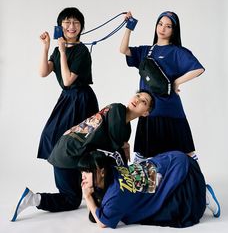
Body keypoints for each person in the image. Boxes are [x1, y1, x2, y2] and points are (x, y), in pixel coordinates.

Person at [120, 11, 220, 218]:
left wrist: (176, 82)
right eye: (160, 24)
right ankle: (137, 199)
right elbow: (123, 49)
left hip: (172, 114)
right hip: (149, 114)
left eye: (168, 25)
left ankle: (203, 192)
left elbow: (198, 68)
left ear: (174, 30)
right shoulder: (147, 51)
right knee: (144, 160)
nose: (163, 28)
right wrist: (129, 26)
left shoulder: (177, 52)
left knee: (185, 157)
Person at [11, 7, 99, 222]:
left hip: (81, 99)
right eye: (67, 22)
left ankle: (90, 190)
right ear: (61, 26)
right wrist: (47, 47)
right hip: (68, 99)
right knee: (53, 138)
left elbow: (68, 79)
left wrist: (61, 51)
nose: (71, 26)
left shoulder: (80, 51)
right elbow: (43, 72)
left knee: (75, 142)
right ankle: (58, 191)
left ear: (81, 27)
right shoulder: (61, 47)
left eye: (76, 23)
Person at [11, 90, 154, 221]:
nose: (138, 99)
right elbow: (113, 152)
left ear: (146, 113)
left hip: (76, 154)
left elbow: (112, 149)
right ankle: (33, 199)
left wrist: (124, 146)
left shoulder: (125, 128)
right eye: (138, 95)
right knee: (71, 199)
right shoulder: (118, 109)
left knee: (93, 182)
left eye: (144, 101)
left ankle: (101, 201)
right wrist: (124, 147)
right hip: (68, 154)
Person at [79, 149, 211, 228]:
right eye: (82, 172)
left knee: (173, 211)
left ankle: (204, 196)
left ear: (102, 172)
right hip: (169, 161)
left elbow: (103, 223)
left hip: (181, 170)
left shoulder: (116, 192)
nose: (83, 177)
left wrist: (88, 196)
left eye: (87, 172)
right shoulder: (112, 171)